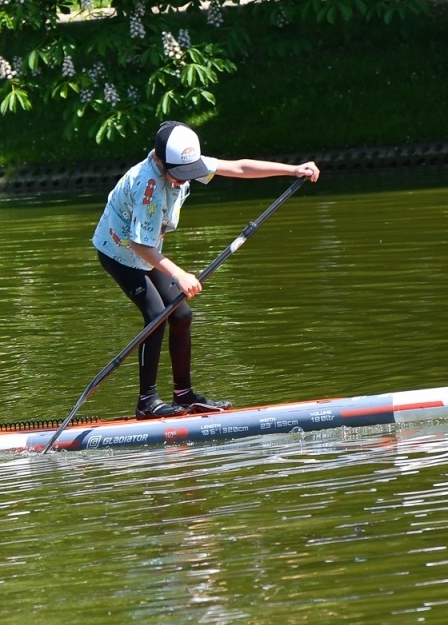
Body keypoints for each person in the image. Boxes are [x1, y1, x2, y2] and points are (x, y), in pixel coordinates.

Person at [93, 120, 320, 419]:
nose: (183, 180)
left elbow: (238, 167)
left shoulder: (183, 161)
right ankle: (147, 402)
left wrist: (293, 170)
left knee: (182, 315)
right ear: (160, 161)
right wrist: (179, 274)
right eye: (179, 175)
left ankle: (183, 394)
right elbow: (138, 244)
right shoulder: (148, 186)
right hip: (119, 253)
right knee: (156, 315)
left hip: (147, 252)